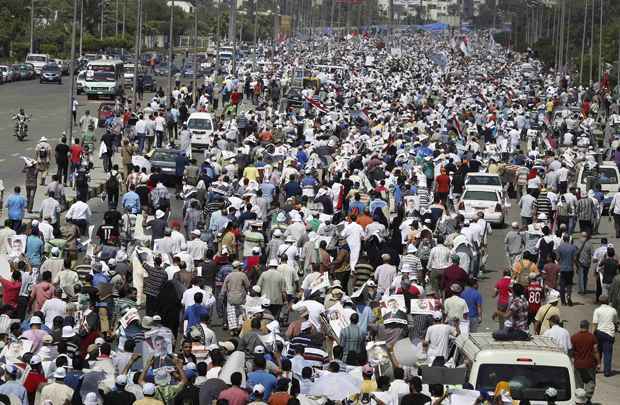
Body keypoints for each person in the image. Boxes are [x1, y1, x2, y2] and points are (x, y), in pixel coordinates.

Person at [571, 319, 600, 401]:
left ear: (580, 326)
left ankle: (579, 399)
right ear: (588, 326)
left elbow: (571, 351)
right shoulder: (592, 337)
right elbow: (595, 351)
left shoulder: (574, 337)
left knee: (578, 383)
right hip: (589, 364)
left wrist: (573, 359)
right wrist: (598, 363)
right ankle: (587, 398)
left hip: (578, 364)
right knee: (590, 381)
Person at [592, 296, 618, 377]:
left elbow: (595, 324)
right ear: (608, 301)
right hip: (609, 334)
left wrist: (592, 334)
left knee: (597, 351)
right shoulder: (613, 310)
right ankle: (607, 371)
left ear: (600, 302)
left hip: (599, 333)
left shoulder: (597, 310)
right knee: (608, 353)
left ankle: (596, 368)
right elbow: (615, 322)